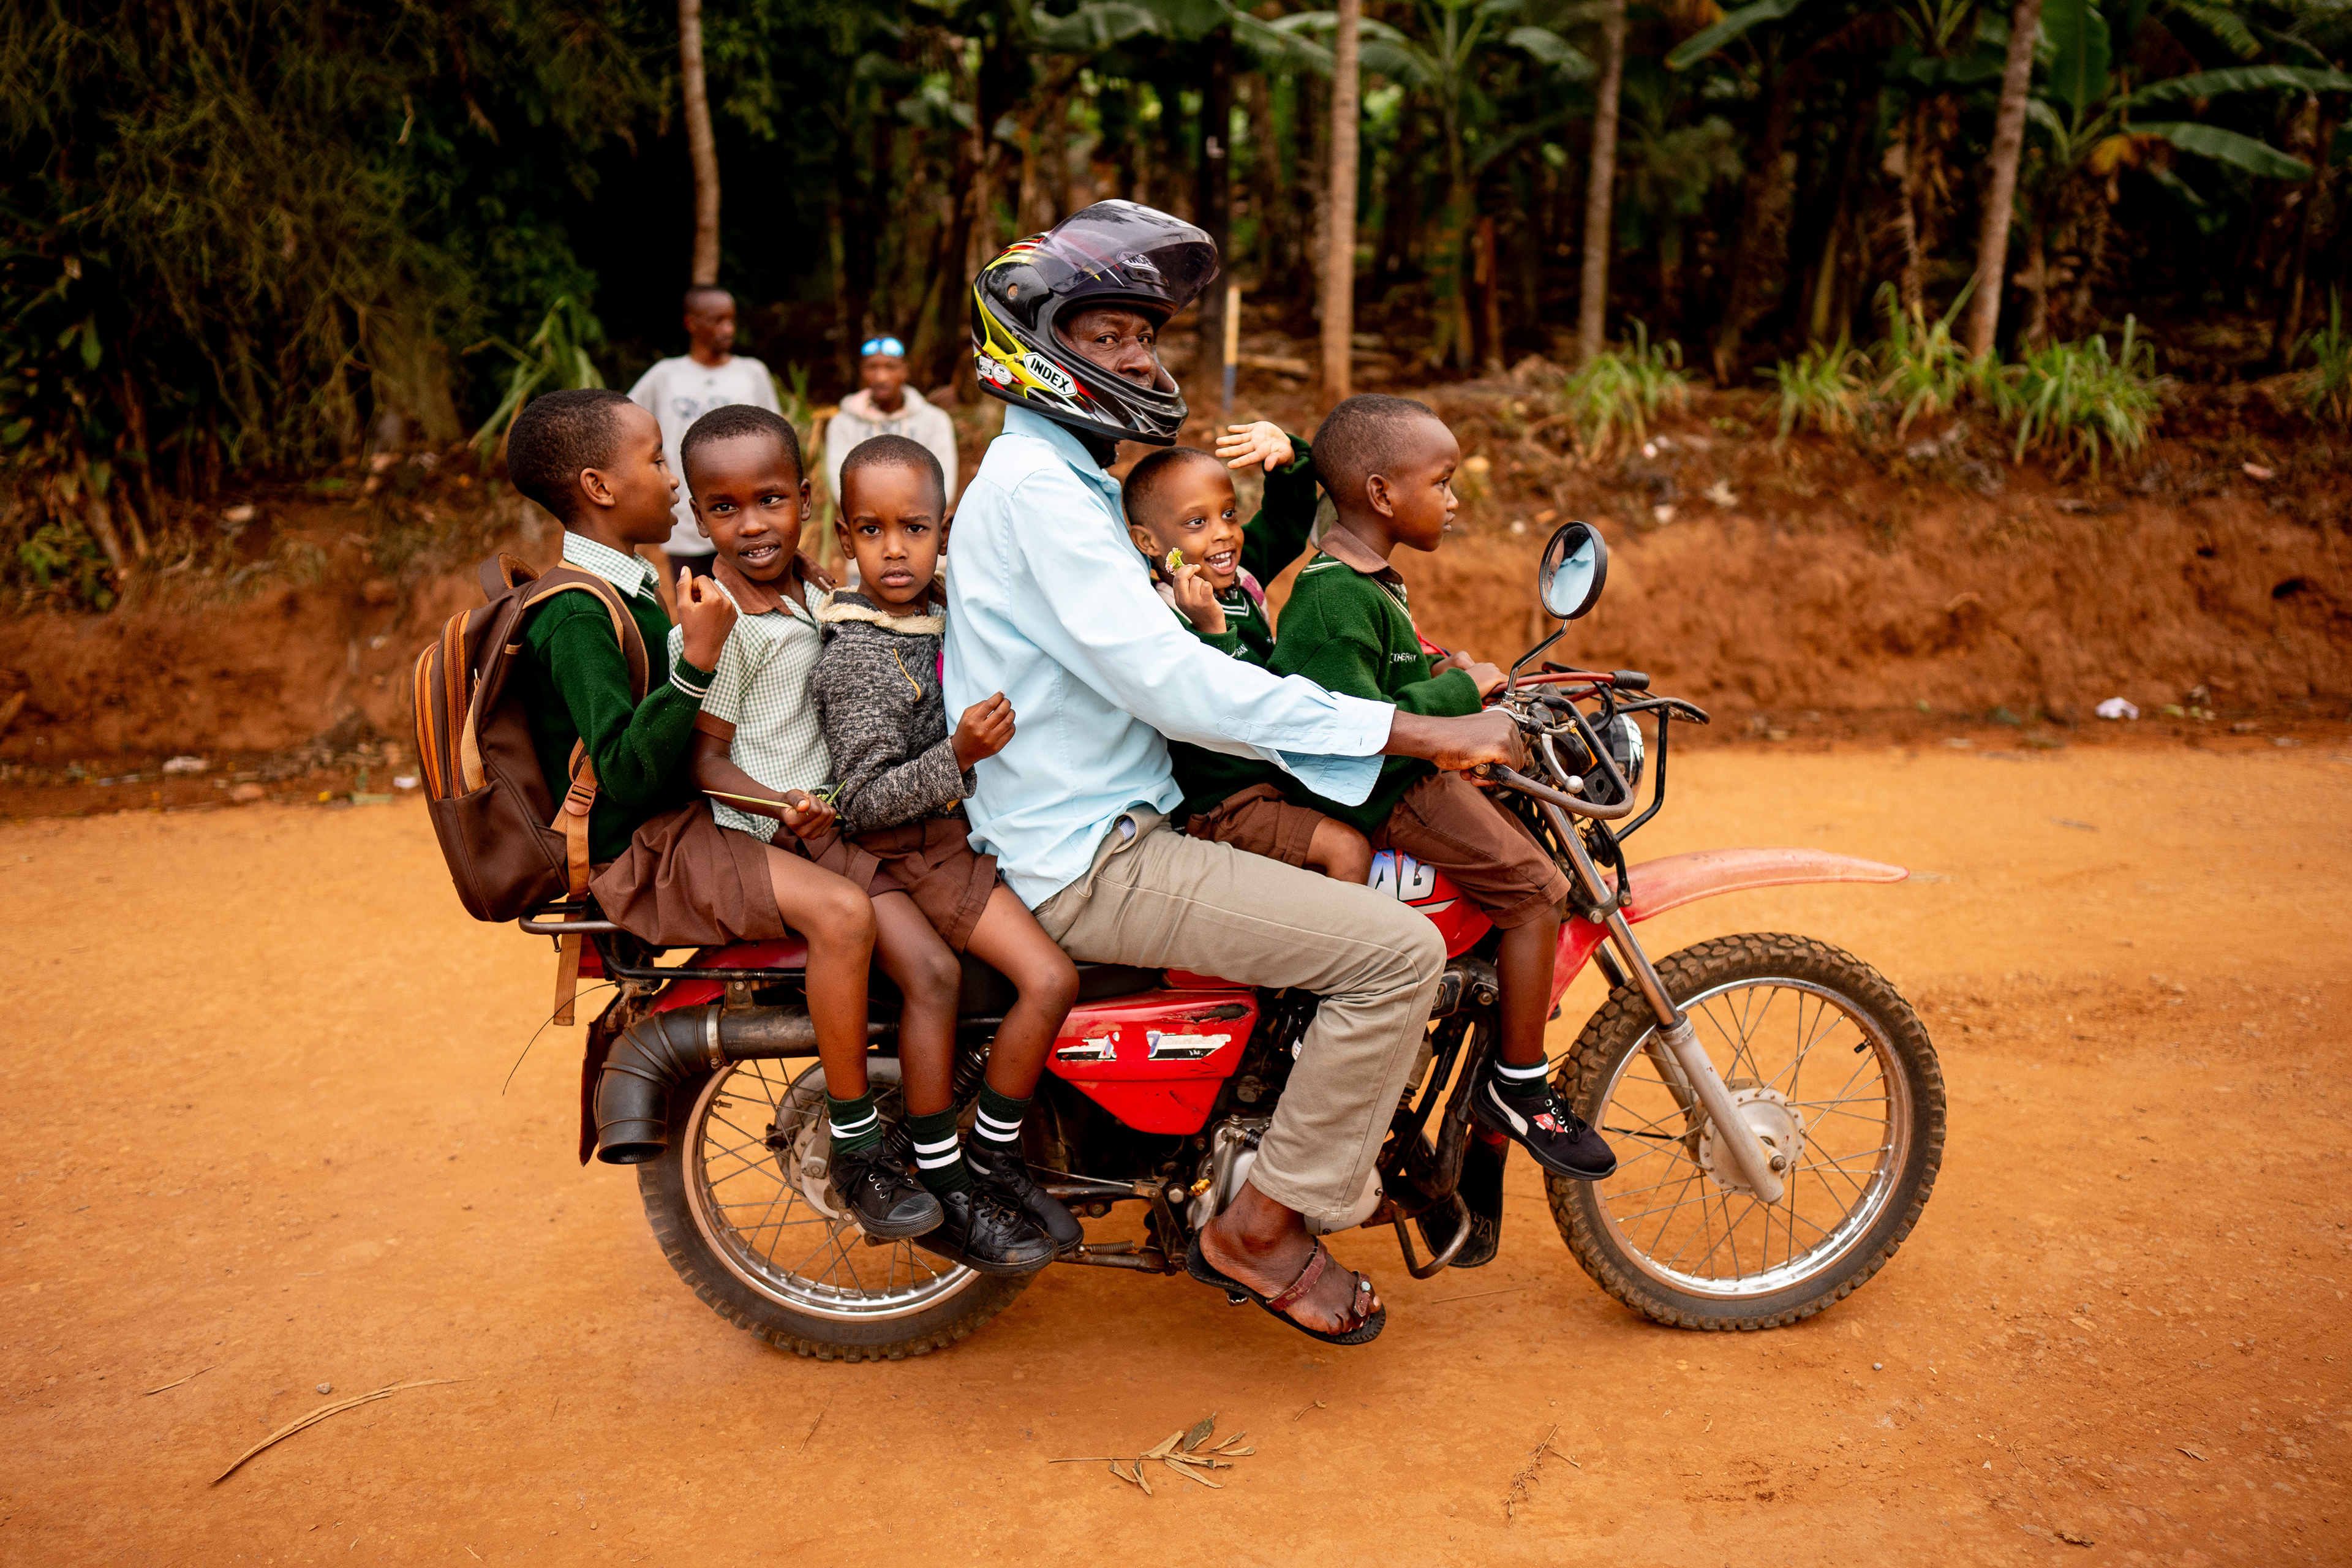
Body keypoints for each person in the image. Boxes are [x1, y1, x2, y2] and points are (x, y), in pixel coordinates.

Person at [949, 200, 1523, 1345]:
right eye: (1110, 335)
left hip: (1119, 816)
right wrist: (1404, 732)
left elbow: (1207, 632)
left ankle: (1258, 1137)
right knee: (1394, 951)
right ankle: (1261, 1225)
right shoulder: (1039, 496)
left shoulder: (1068, 483)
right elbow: (1177, 680)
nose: (1140, 358)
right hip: (1092, 851)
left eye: (1144, 336)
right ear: (1040, 345)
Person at [501, 391, 902, 1238]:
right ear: (598, 486)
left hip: (682, 821)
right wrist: (700, 663)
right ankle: (859, 1144)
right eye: (653, 462)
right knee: (842, 914)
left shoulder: (637, 586)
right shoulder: (576, 612)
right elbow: (628, 769)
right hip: (645, 846)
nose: (671, 484)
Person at [596, 400, 945, 1247]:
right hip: (753, 826)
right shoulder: (722, 621)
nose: (752, 525)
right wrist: (777, 804)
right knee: (845, 916)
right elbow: (705, 764)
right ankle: (858, 1148)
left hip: (830, 815)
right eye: (725, 508)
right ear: (698, 514)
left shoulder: (818, 587)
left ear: (804, 498)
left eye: (771, 501)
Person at [1269, 393, 1616, 1202]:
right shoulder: (1331, 597)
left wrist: (1442, 677)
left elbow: (1382, 687)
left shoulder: (1365, 581)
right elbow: (1348, 723)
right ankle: (1520, 1085)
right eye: (1444, 481)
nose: (1454, 499)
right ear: (1383, 494)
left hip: (1400, 777)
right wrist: (1459, 692)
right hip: (1386, 793)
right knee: (1538, 893)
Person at [810, 433, 1082, 1268]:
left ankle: (985, 1158)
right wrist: (957, 756)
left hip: (961, 838)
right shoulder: (858, 653)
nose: (896, 550)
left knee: (1047, 977)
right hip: (915, 855)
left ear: (947, 530)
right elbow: (858, 805)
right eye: (871, 531)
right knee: (1046, 978)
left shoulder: (946, 610)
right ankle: (970, 1164)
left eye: (916, 529)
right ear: (844, 536)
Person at [1120, 431, 1371, 883]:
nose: (1223, 534)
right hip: (1226, 800)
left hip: (1277, 773)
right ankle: (1343, 949)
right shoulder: (1161, 615)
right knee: (1347, 849)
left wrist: (1288, 460)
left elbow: (1285, 522)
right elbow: (1218, 698)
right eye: (1196, 524)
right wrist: (1213, 629)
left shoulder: (1236, 573)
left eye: (1230, 514)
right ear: (1151, 543)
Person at [627, 285, 782, 580]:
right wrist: (654, 469)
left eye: (732, 320)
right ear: (691, 324)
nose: (728, 329)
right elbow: (625, 425)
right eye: (718, 320)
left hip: (749, 520)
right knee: (697, 605)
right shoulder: (665, 375)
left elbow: (774, 442)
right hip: (687, 520)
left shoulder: (752, 373)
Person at [823, 335, 959, 517]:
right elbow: (841, 488)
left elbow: (944, 486)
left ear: (905, 371)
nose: (881, 377)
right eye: (872, 367)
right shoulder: (842, 424)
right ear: (862, 371)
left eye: (890, 367)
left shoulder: (935, 421)